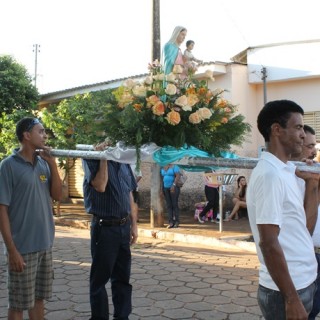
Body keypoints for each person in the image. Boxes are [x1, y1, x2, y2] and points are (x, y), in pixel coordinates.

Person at [247, 100, 319, 320]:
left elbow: (301, 230)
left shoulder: (286, 171)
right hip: (287, 291)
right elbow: (268, 243)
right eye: (297, 128)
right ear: (277, 130)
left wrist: (312, 185)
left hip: (303, 280)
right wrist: (291, 299)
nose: (303, 136)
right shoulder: (271, 176)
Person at [0, 117, 62, 319]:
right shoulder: (8, 166)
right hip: (22, 248)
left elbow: (58, 196)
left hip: (45, 244)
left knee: (38, 299)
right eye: (40, 131)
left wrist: (53, 165)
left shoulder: (44, 164)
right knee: (18, 304)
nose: (45, 136)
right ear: (27, 136)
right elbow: (2, 210)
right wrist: (12, 250)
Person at [82, 141, 138, 320]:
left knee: (122, 279)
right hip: (104, 228)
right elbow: (100, 185)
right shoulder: (91, 157)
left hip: (123, 227)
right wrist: (103, 158)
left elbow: (129, 193)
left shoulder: (123, 160)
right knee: (99, 280)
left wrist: (134, 224)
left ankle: (122, 317)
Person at [291, 125, 320, 320]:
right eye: (310, 146)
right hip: (307, 257)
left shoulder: (314, 173)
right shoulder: (290, 179)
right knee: (308, 311)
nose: (315, 152)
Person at [160, 164, 181, 228]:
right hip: (165, 188)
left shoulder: (175, 167)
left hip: (174, 188)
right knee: (169, 205)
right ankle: (170, 222)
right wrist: (161, 189)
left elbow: (178, 176)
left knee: (174, 204)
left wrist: (173, 185)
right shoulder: (162, 167)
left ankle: (177, 221)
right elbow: (162, 179)